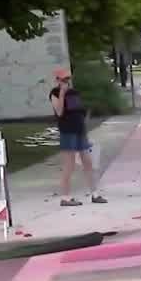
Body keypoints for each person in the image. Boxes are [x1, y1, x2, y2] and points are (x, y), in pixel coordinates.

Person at [48, 68, 106, 207]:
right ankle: (66, 197)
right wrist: (62, 93)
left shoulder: (74, 93)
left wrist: (85, 123)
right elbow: (59, 112)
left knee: (88, 163)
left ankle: (94, 194)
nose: (66, 82)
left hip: (80, 130)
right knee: (70, 164)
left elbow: (80, 111)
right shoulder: (54, 93)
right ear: (57, 80)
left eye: (68, 79)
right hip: (67, 131)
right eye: (63, 79)